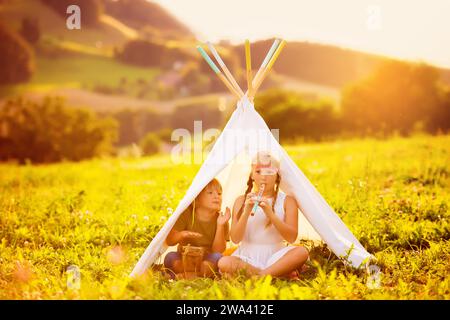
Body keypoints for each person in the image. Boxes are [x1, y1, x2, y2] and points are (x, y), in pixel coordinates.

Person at [218, 151, 309, 278]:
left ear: (277, 175)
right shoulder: (241, 201)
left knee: (301, 252)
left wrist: (270, 214)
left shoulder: (288, 201)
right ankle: (274, 274)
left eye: (269, 172)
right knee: (224, 262)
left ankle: (259, 276)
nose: (263, 177)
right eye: (258, 172)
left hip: (276, 256)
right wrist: (246, 212)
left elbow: (291, 238)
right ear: (252, 175)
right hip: (246, 256)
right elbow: (235, 238)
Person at [164, 178, 230, 278]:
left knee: (217, 259)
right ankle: (196, 275)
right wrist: (182, 234)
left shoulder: (221, 219)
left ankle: (185, 276)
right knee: (170, 257)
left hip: (207, 259)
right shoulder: (186, 214)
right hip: (185, 258)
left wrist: (220, 225)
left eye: (219, 193)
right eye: (210, 193)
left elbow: (218, 250)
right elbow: (169, 241)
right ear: (197, 197)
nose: (217, 196)